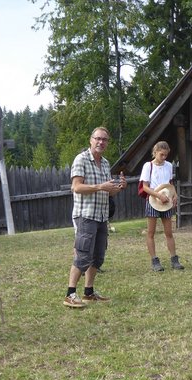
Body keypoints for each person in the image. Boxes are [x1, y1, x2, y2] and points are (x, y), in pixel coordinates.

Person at [64, 127, 127, 308]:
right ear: (90, 140)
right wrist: (100, 186)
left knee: (97, 257)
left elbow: (108, 193)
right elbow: (76, 187)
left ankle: (88, 293)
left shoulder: (106, 163)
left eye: (104, 140)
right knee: (83, 256)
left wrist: (119, 187)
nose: (101, 142)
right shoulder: (81, 159)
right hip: (85, 215)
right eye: (97, 139)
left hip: (101, 216)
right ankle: (70, 294)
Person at [140, 141, 183, 271]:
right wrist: (158, 196)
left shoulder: (169, 166)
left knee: (169, 232)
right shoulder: (148, 166)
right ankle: (154, 261)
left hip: (167, 201)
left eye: (166, 155)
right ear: (155, 152)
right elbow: (144, 187)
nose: (164, 157)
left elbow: (170, 183)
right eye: (161, 155)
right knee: (151, 232)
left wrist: (174, 194)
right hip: (153, 201)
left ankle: (174, 259)